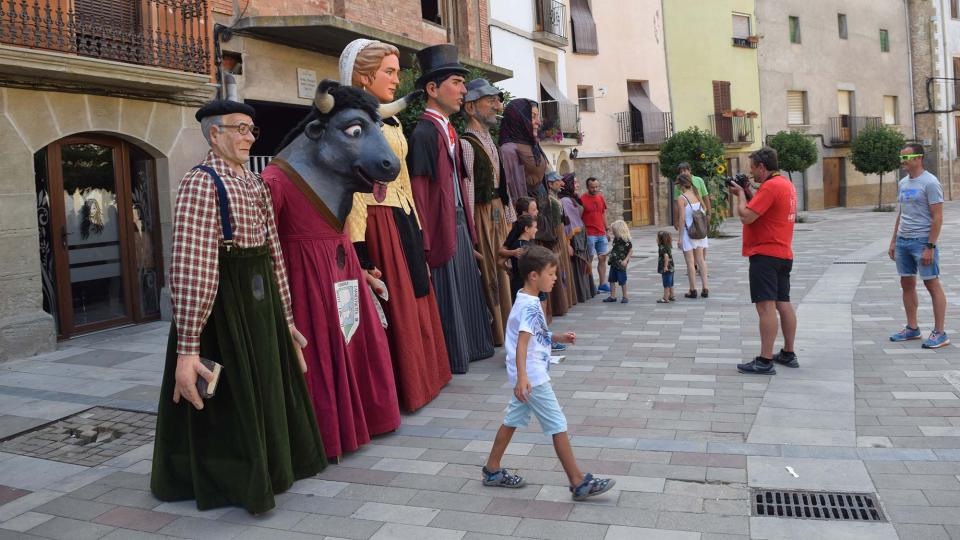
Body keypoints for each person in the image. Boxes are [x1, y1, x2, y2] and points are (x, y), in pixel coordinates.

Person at [152, 99, 327, 513]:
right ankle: (230, 479)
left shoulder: (254, 183)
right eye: (240, 129)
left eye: (252, 130)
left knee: (264, 384)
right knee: (227, 396)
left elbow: (273, 255)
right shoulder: (201, 182)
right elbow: (192, 264)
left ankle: (271, 466)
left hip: (259, 298)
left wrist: (285, 318)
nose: (249, 137)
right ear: (215, 134)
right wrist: (188, 346)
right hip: (222, 305)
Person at [263, 81, 402, 458]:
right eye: (355, 131)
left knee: (354, 338)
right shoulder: (275, 181)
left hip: (341, 275)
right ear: (315, 133)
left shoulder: (341, 182)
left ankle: (363, 418)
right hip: (305, 285)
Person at [340, 39, 451, 412]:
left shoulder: (391, 117)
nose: (396, 78)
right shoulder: (350, 120)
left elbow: (401, 180)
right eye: (389, 71)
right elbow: (353, 186)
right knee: (395, 301)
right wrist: (360, 247)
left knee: (416, 293)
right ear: (364, 75)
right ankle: (406, 388)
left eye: (396, 71)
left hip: (401, 215)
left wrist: (418, 226)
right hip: (376, 219)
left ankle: (427, 377)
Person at [481, 245, 616, 501]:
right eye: (551, 273)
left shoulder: (526, 298)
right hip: (533, 378)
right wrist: (523, 378)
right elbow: (522, 344)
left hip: (528, 376)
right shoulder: (531, 306)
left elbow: (532, 335)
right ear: (534, 275)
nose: (555, 278)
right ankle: (578, 482)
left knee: (512, 420)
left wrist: (556, 336)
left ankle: (492, 469)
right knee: (557, 424)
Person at [408, 44, 494, 373]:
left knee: (466, 295)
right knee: (448, 295)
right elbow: (419, 194)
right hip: (441, 230)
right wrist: (425, 244)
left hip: (458, 224)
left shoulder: (450, 131)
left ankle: (470, 350)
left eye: (462, 83)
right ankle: (451, 358)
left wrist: (469, 233)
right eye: (457, 82)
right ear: (432, 88)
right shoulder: (424, 133)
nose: (463, 90)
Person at [729, 147, 798, 375]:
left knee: (765, 306)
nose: (751, 173)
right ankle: (788, 353)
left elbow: (747, 216)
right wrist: (749, 192)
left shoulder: (770, 186)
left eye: (752, 168)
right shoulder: (786, 184)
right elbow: (761, 209)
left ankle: (765, 360)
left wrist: (740, 195)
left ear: (762, 166)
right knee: (783, 303)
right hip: (783, 251)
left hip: (765, 254)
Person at [462, 78, 513, 346]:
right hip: (481, 215)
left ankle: (507, 328)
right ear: (471, 107)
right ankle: (495, 332)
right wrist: (470, 231)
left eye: (497, 100)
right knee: (490, 270)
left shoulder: (491, 142)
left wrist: (510, 220)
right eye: (490, 100)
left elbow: (503, 186)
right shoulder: (466, 144)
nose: (497, 105)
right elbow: (467, 192)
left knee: (502, 268)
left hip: (496, 214)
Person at [888, 143, 950, 348]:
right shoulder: (903, 183)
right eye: (901, 157)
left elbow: (938, 217)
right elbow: (902, 213)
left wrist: (930, 246)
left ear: (918, 158)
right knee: (906, 283)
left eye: (906, 157)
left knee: (931, 283)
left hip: (922, 241)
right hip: (903, 241)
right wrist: (894, 240)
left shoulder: (930, 183)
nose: (902, 161)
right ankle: (912, 328)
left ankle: (940, 332)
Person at [559, 173, 596, 303]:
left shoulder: (573, 197)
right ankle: (580, 293)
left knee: (583, 265)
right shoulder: (564, 200)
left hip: (581, 235)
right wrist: (568, 242)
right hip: (574, 237)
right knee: (577, 266)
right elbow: (568, 223)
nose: (578, 185)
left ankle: (586, 291)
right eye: (574, 183)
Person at [675, 173, 709, 298]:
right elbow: (704, 211)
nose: (677, 187)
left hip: (688, 233)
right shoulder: (697, 194)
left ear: (682, 185)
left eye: (678, 184)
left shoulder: (682, 198)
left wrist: (679, 238)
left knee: (690, 262)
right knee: (701, 260)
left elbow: (682, 218)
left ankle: (693, 289)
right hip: (700, 232)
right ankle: (705, 288)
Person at [544, 171, 573, 316]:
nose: (561, 184)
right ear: (550, 183)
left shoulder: (555, 199)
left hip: (561, 233)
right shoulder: (549, 200)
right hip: (556, 235)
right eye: (557, 181)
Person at [581, 177, 610, 293]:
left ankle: (602, 284)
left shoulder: (600, 198)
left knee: (602, 258)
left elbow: (603, 215)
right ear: (587, 187)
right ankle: (590, 284)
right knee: (589, 259)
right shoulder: (582, 199)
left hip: (601, 233)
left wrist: (607, 229)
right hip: (589, 234)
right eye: (592, 187)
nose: (595, 189)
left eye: (597, 187)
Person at [500, 213, 538, 300]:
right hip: (527, 286)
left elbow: (500, 262)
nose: (537, 229)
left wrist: (509, 271)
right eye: (535, 227)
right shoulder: (524, 246)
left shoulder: (515, 244)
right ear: (526, 229)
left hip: (516, 285)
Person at [673, 161, 712, 233]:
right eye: (681, 172)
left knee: (700, 233)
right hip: (686, 213)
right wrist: (675, 220)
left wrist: (709, 214)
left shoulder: (699, 180)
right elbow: (676, 204)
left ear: (690, 170)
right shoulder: (678, 185)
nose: (683, 173)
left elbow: (705, 197)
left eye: (685, 170)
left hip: (699, 212)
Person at [602, 220, 632, 304]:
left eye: (614, 231)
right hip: (613, 263)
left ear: (619, 230)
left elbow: (630, 251)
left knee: (622, 280)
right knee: (611, 279)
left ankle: (625, 296)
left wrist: (626, 260)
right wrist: (606, 253)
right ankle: (612, 296)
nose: (613, 233)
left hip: (621, 264)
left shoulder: (626, 241)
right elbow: (614, 249)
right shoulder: (616, 239)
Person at [657, 231, 676, 303]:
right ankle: (672, 295)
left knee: (666, 284)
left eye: (657, 237)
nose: (656, 239)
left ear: (661, 239)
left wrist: (665, 266)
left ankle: (665, 298)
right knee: (670, 283)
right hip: (671, 267)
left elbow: (666, 256)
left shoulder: (662, 247)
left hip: (667, 268)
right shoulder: (668, 246)